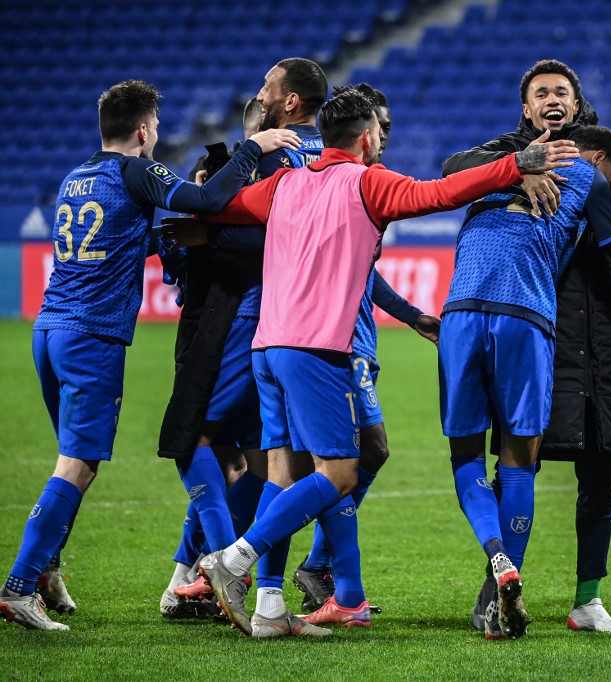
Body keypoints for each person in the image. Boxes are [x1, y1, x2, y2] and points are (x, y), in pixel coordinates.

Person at [164, 86, 579, 638]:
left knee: (282, 473)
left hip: (266, 347)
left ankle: (268, 608)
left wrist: (198, 220)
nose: (382, 141)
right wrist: (514, 165)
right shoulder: (368, 182)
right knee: (338, 473)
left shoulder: (284, 182)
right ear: (366, 138)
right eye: (378, 134)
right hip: (317, 350)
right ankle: (233, 560)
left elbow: (222, 205)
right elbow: (445, 192)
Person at [0, 80, 300, 631]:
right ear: (143, 130)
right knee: (78, 464)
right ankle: (18, 586)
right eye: (156, 128)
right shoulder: (134, 171)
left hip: (48, 329)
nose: (157, 136)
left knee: (70, 460)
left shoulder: (75, 176)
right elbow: (206, 202)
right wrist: (253, 151)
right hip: (92, 336)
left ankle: (46, 570)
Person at [442, 42, 611, 633]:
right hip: (546, 329)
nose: (551, 101)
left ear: (576, 104)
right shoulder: (507, 156)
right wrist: (522, 163)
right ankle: (498, 583)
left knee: (601, 473)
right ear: (525, 110)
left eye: (560, 92)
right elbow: (451, 167)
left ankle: (587, 597)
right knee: (520, 461)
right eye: (540, 94)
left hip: (610, 342)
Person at [439, 124, 611, 640]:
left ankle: (496, 557)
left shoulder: (495, 163)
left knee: (466, 456)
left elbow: (448, 171)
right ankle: (507, 580)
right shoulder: (586, 175)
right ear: (598, 158)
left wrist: (517, 164)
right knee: (519, 460)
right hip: (527, 317)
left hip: (461, 308)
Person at [159, 59, 330, 619]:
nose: (257, 92)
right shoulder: (321, 161)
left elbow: (277, 243)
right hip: (288, 325)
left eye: (266, 86)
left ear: (287, 103)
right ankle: (193, 580)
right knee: (257, 456)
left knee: (195, 438)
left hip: (243, 314)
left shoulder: (276, 159)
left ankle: (217, 562)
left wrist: (206, 233)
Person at [293, 84, 443, 626]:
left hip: (355, 335)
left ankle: (316, 569)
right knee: (363, 453)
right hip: (335, 339)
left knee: (351, 457)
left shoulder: (362, 184)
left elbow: (365, 273)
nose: (385, 135)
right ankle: (292, 563)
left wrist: (412, 315)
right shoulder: (337, 179)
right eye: (379, 125)